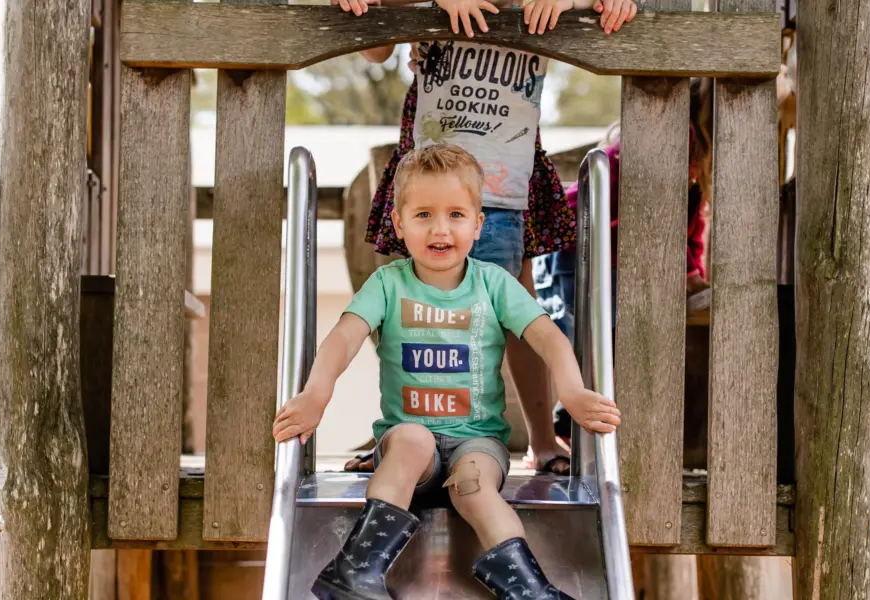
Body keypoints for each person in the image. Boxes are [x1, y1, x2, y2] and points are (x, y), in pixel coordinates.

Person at [273, 145, 621, 599]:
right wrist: (316, 395)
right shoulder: (388, 284)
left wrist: (572, 393)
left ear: (478, 224)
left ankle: (528, 589)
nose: (441, 229)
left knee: (476, 486)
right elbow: (343, 339)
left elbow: (548, 338)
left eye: (456, 214)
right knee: (411, 439)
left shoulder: (494, 283)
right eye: (423, 215)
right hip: (410, 444)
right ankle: (355, 570)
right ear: (398, 224)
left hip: (476, 440)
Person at [341, 0, 638, 476]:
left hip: (506, 178)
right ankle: (395, 436)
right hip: (432, 181)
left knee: (519, 313)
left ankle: (542, 439)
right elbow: (375, 49)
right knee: (409, 310)